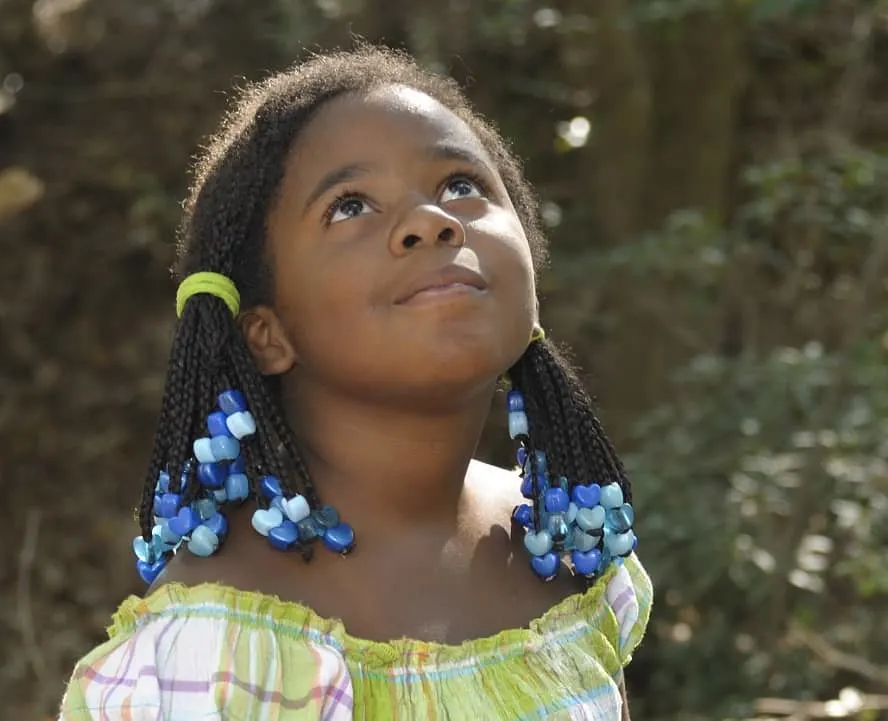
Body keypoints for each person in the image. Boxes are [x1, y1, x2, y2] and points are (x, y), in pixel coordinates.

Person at [57, 44, 652, 720]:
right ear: (268, 333)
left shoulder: (570, 552)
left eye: (461, 184)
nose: (431, 222)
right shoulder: (211, 654)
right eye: (349, 206)